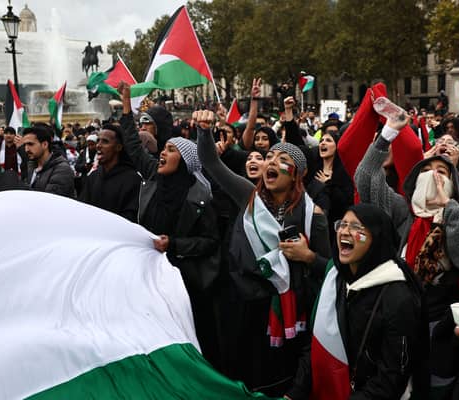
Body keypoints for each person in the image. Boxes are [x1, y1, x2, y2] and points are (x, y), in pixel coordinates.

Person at [355, 111, 459, 395]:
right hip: (398, 328)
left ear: (454, 185)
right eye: (426, 171)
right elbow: (366, 178)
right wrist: (388, 134)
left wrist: (448, 207)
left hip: (439, 333)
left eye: (442, 172)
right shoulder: (402, 215)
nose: (433, 176)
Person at [197, 109, 331, 395]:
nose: (271, 162)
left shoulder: (313, 216)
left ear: (297, 173)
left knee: (276, 378)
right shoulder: (249, 197)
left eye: (282, 160)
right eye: (269, 157)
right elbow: (209, 161)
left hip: (288, 316)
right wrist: (204, 131)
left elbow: (332, 270)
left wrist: (308, 258)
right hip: (242, 307)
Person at [118, 82, 222, 369]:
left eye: (171, 150)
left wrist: (174, 245)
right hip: (149, 274)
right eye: (163, 148)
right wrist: (127, 107)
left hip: (184, 282)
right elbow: (133, 145)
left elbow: (210, 242)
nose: (162, 153)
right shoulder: (153, 176)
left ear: (186, 162)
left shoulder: (200, 198)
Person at [285, 204, 423, 400]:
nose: (344, 231)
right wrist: (295, 393)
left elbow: (391, 378)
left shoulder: (398, 297)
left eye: (356, 227)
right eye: (342, 224)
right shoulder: (335, 280)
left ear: (376, 238)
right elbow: (315, 346)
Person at [79, 125, 141, 222]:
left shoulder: (133, 180)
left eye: (105, 141)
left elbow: (131, 217)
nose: (98, 145)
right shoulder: (93, 176)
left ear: (118, 147)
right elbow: (83, 208)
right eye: (98, 141)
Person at [23, 125, 75, 198]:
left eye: (30, 144)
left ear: (45, 144)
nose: (26, 149)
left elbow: (50, 201)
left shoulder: (62, 170)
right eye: (25, 145)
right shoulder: (32, 166)